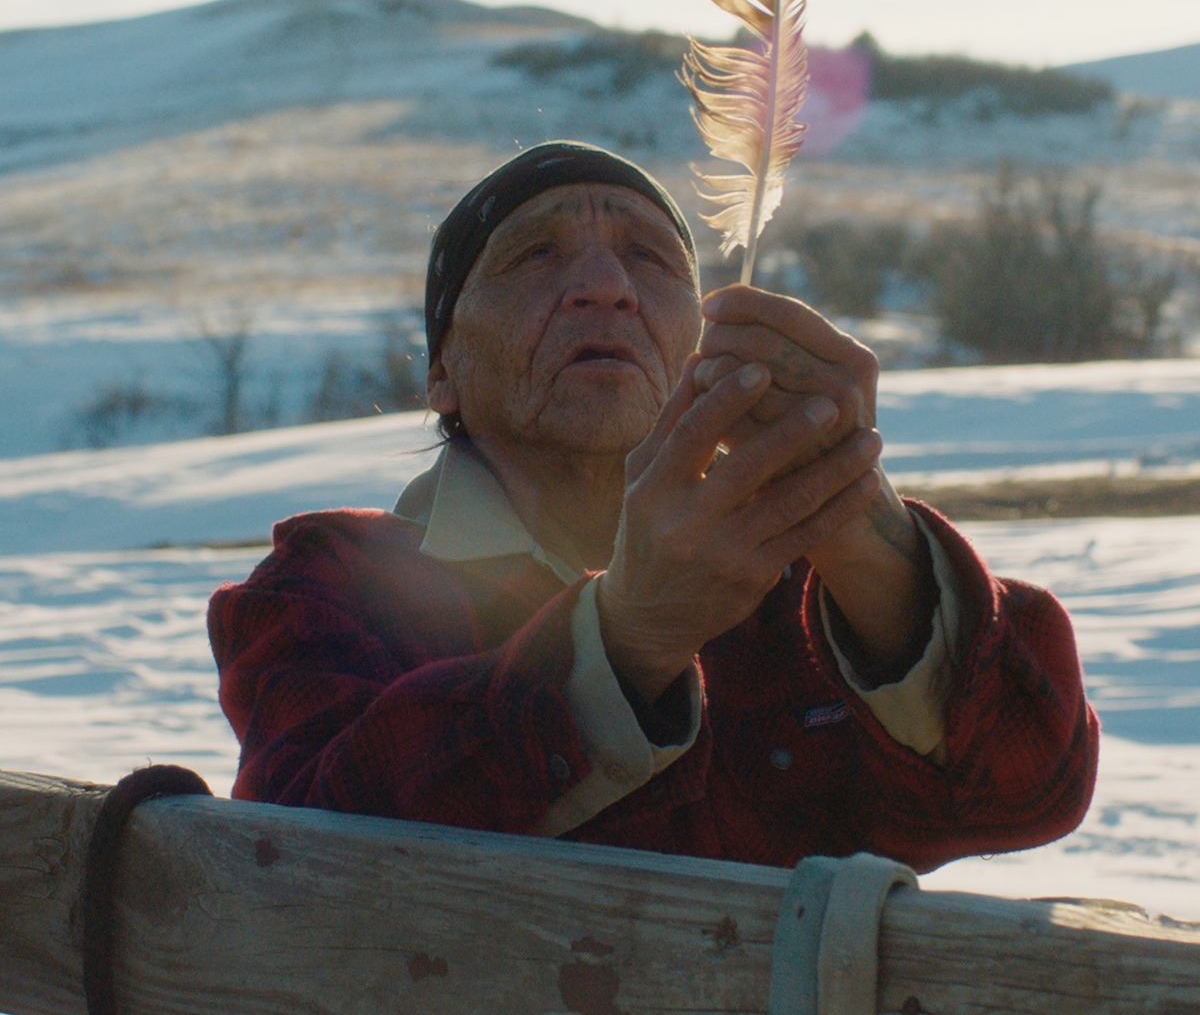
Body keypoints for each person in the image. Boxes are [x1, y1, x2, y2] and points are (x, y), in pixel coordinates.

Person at [208, 140, 1099, 872]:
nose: (607, 285)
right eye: (534, 255)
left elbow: (1030, 791)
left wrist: (864, 531)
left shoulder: (800, 600)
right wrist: (625, 639)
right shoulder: (330, 584)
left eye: (650, 258)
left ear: (702, 346)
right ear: (443, 372)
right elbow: (291, 869)